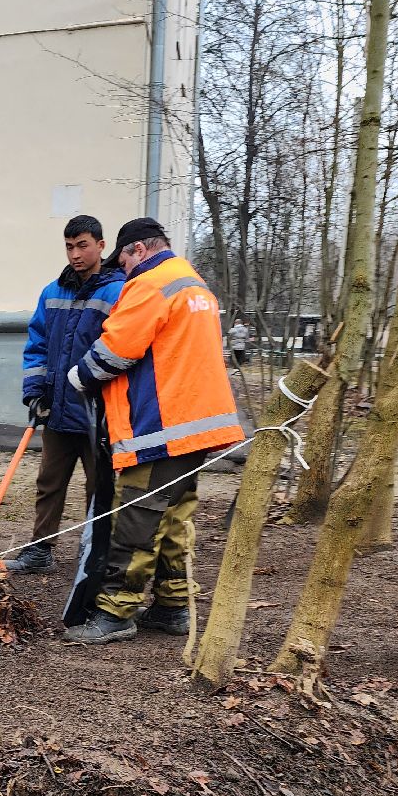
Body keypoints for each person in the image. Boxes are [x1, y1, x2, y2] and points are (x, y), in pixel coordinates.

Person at [62, 218, 244, 645]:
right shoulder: (193, 283)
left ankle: (116, 612)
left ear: (139, 250)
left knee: (138, 518)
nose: (122, 271)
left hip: (160, 426)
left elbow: (116, 350)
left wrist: (77, 378)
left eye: (122, 261)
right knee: (175, 515)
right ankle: (172, 605)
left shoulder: (150, 283)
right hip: (194, 427)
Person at [3, 215, 126, 574]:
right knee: (49, 483)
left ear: (101, 246)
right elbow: (37, 345)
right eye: (69, 246)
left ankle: (94, 554)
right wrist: (35, 392)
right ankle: (40, 551)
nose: (75, 254)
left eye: (83, 245)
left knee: (99, 487)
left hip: (96, 414)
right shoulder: (52, 292)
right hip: (56, 409)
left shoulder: (117, 293)